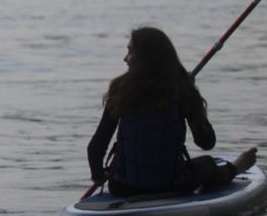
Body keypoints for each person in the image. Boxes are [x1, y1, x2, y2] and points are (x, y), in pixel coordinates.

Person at [86, 26, 256, 196]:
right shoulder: (182, 90)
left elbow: (96, 147)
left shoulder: (120, 90)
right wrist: (192, 96)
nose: (125, 59)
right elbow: (206, 142)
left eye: (130, 52)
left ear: (144, 58)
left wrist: (98, 176)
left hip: (123, 188)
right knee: (208, 165)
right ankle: (236, 168)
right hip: (172, 185)